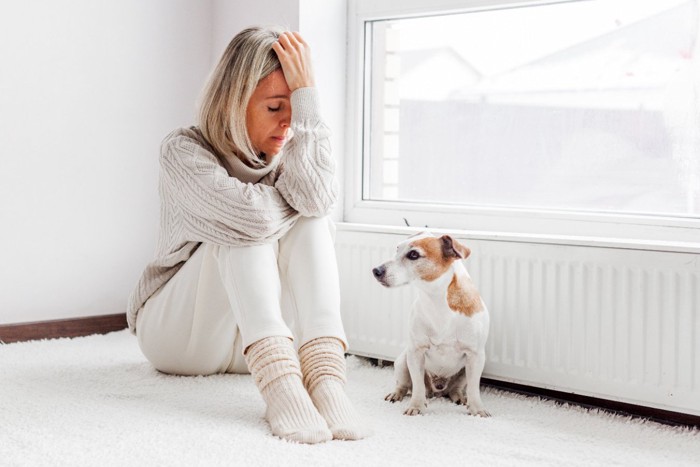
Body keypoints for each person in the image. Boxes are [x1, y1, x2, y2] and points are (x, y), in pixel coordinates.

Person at [127, 26, 368, 444]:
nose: (289, 123)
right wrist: (288, 202)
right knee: (244, 225)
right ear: (234, 102)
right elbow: (254, 220)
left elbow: (316, 202)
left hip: (252, 340)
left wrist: (309, 101)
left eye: (297, 107)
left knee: (311, 217)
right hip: (180, 336)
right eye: (276, 107)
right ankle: (279, 386)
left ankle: (326, 377)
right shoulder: (183, 150)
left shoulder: (291, 149)